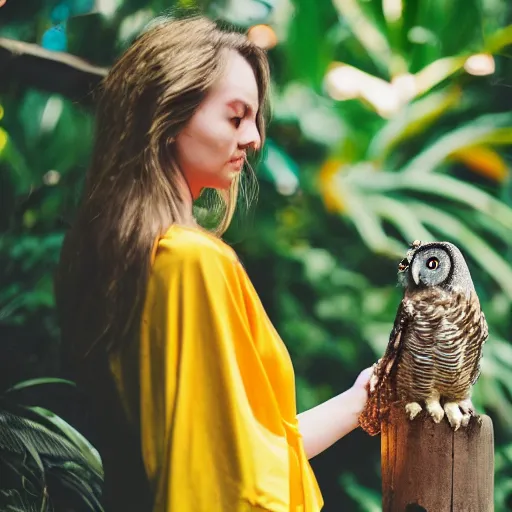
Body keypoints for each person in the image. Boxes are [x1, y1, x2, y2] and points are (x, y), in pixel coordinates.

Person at [54, 15, 373, 512]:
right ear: (169, 114)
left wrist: (359, 403)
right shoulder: (193, 261)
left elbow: (248, 455)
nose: (254, 139)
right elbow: (233, 488)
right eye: (235, 116)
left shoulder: (131, 261)